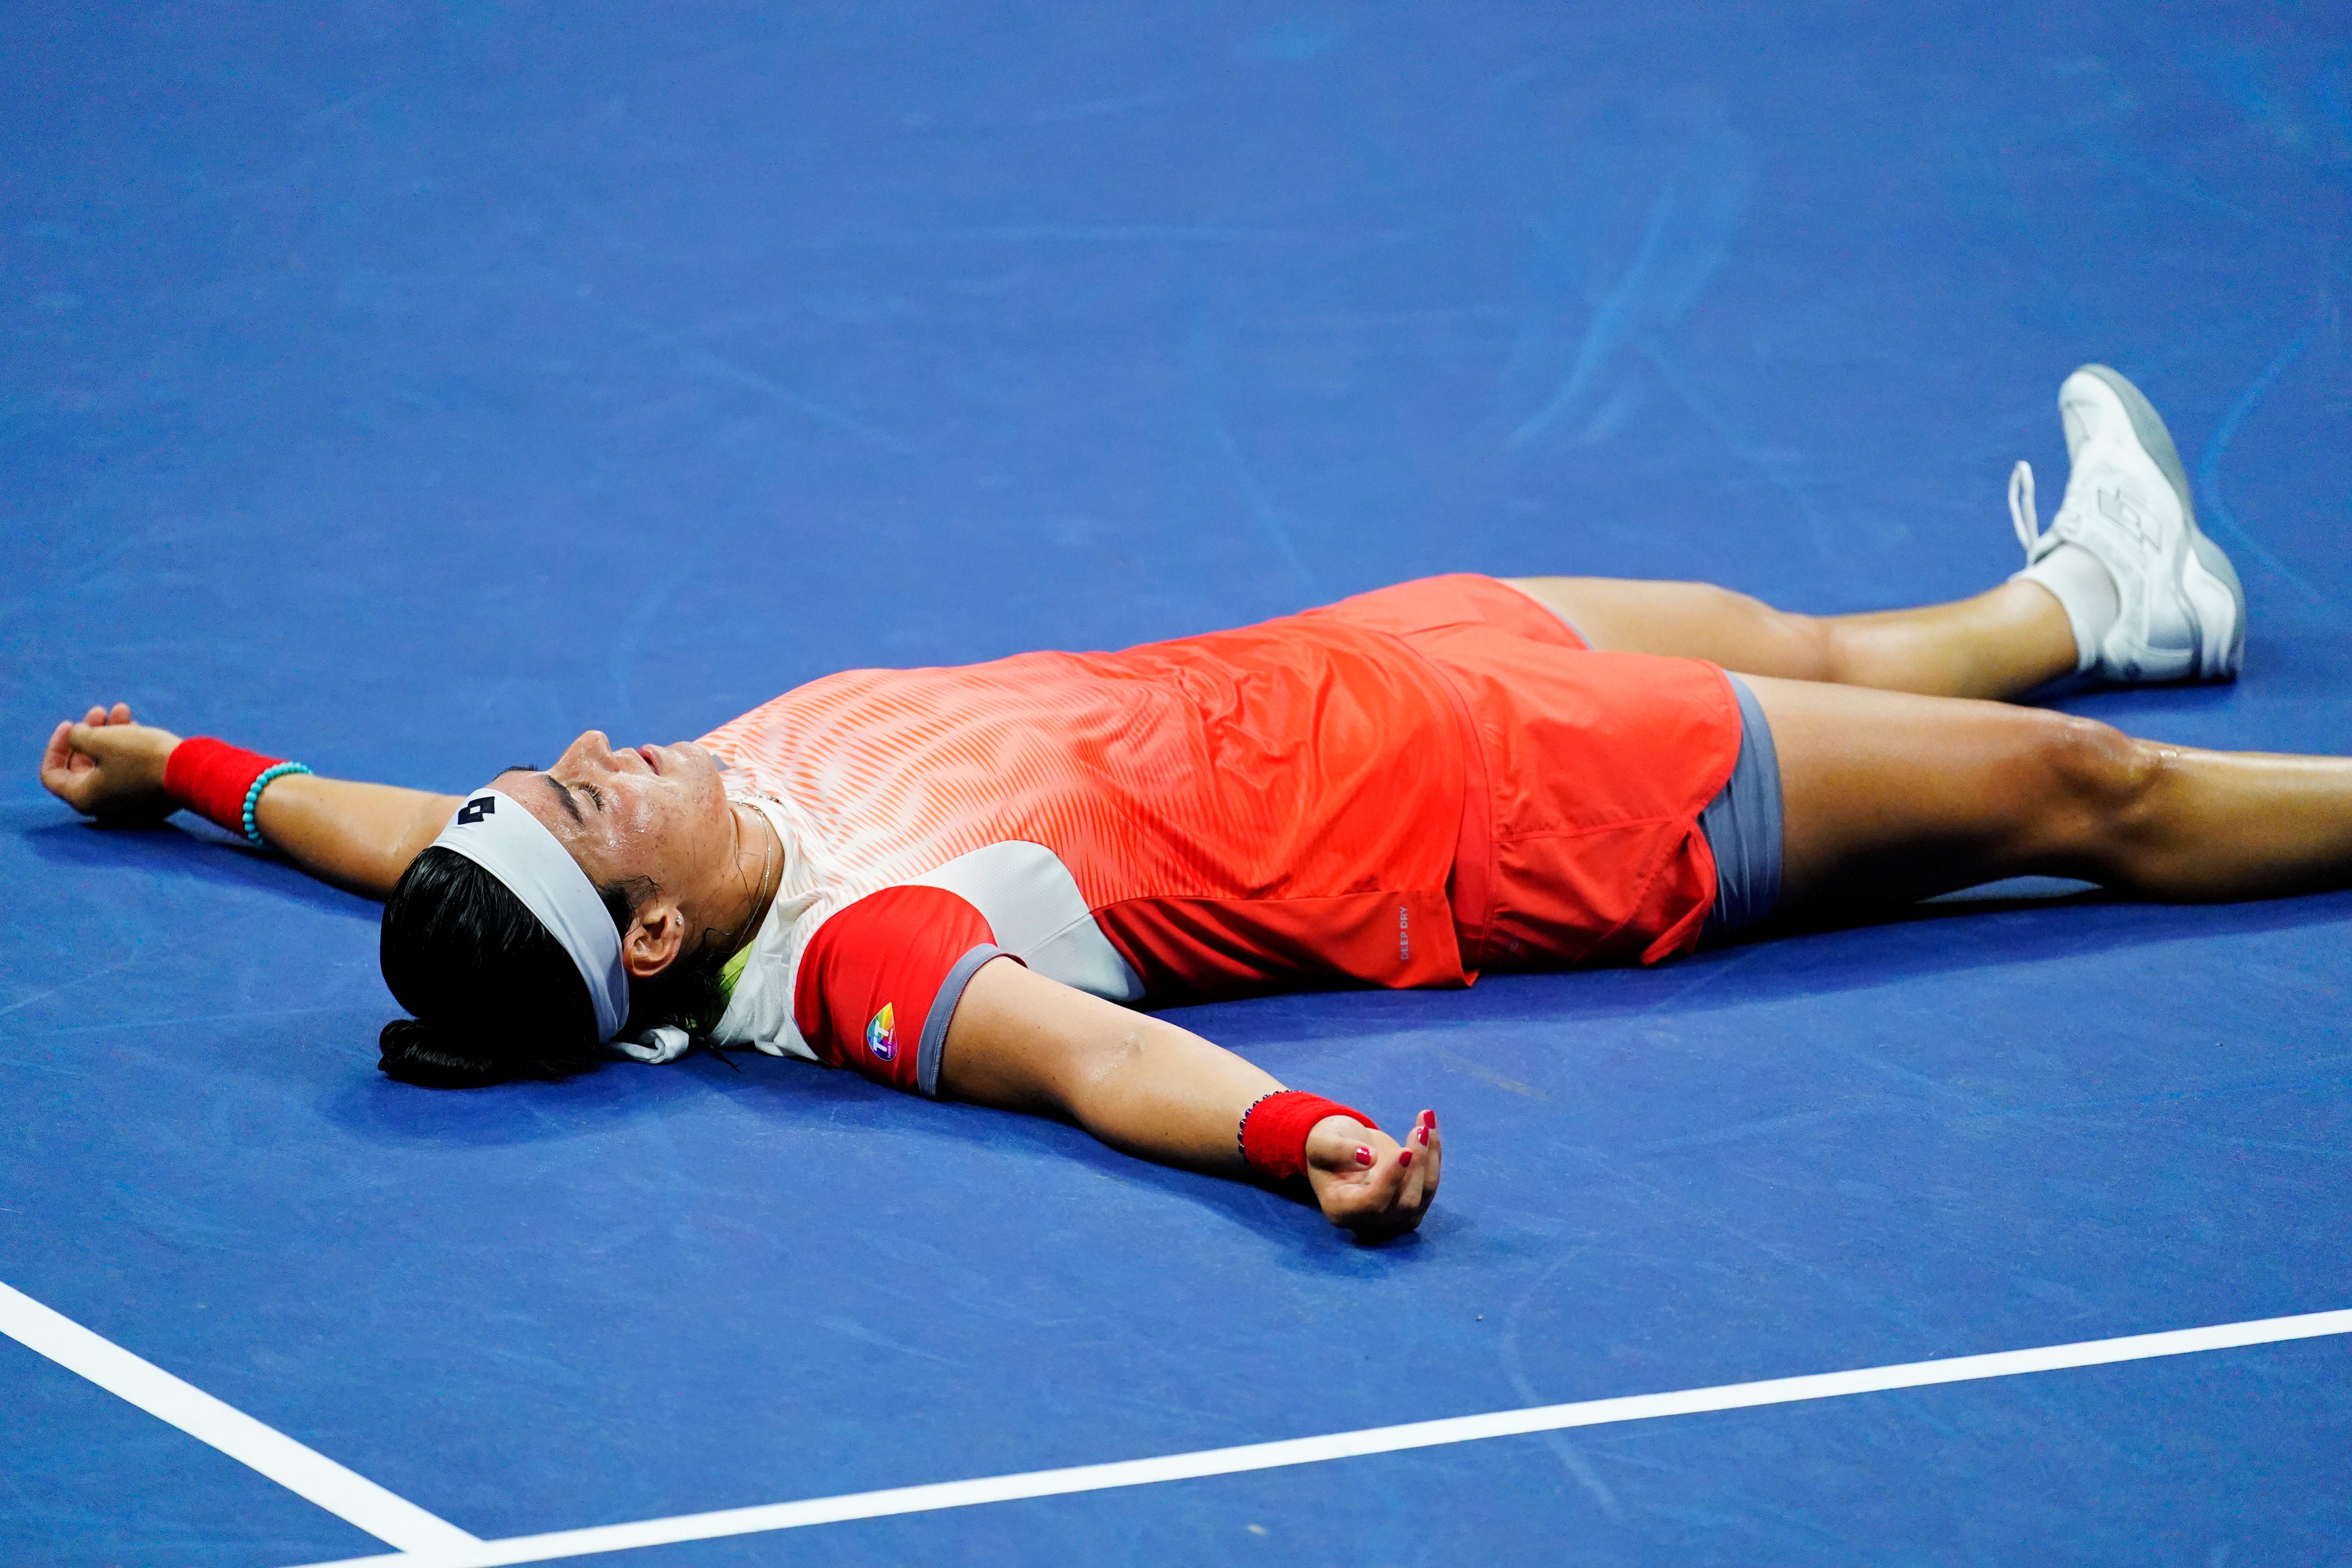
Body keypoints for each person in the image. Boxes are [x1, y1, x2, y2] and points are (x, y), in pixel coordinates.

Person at [38, 366, 2352, 1243]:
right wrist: (1292, 1140)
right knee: (2089, 799)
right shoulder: (858, 958)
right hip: (1525, 818)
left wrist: (193, 777)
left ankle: (2103, 587)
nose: (590, 753)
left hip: (1360, 660)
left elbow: (393, 826)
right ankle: (2133, 682)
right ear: (652, 950)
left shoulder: (653, 843)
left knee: (1829, 643)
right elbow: (1094, 1060)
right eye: (586, 809)